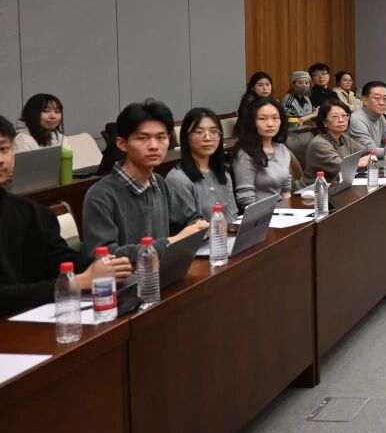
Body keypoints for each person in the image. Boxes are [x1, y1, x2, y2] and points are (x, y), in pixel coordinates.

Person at [1, 116, 132, 317]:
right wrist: (75, 282)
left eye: (4, 149)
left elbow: (61, 260)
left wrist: (104, 267)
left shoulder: (32, 213)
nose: (1, 159)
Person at [82, 100, 208, 262]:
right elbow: (105, 256)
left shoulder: (159, 183)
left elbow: (188, 217)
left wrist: (199, 225)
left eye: (161, 137)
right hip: (131, 277)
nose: (154, 146)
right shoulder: (100, 195)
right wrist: (172, 241)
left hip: (164, 271)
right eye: (143, 138)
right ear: (122, 143)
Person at [166, 107, 238, 221]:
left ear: (220, 136)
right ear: (186, 137)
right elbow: (190, 226)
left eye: (213, 131)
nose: (208, 138)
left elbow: (232, 217)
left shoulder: (224, 175)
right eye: (199, 132)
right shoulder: (178, 179)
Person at [232, 98, 294, 211]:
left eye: (275, 118)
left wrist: (290, 212)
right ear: (252, 122)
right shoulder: (245, 154)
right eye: (262, 118)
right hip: (260, 215)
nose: (270, 124)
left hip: (281, 211)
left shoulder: (282, 149)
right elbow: (246, 200)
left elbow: (286, 190)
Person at [304, 100, 366, 180]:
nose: (341, 120)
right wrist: (363, 162)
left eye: (344, 115)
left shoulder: (343, 137)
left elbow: (367, 152)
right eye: (335, 116)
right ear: (324, 122)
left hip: (338, 184)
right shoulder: (319, 144)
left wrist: (370, 157)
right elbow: (343, 168)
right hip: (315, 186)